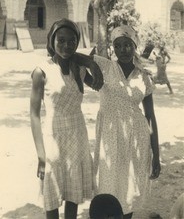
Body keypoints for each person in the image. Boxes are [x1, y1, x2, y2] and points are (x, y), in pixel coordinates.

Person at [75, 24, 161, 219]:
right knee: (108, 190)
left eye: (128, 45)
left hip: (136, 141)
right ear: (113, 48)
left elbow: (150, 117)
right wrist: (93, 66)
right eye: (118, 45)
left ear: (135, 46)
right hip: (110, 138)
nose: (123, 50)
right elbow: (76, 57)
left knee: (128, 192)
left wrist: (156, 153)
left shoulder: (143, 77)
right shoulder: (105, 66)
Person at [30, 18, 103, 219]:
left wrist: (91, 63)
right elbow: (34, 115)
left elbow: (99, 85)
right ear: (52, 40)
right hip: (53, 138)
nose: (66, 45)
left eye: (72, 41)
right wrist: (41, 155)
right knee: (51, 195)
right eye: (61, 40)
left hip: (78, 136)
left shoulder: (78, 70)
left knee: (73, 194)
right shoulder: (41, 72)